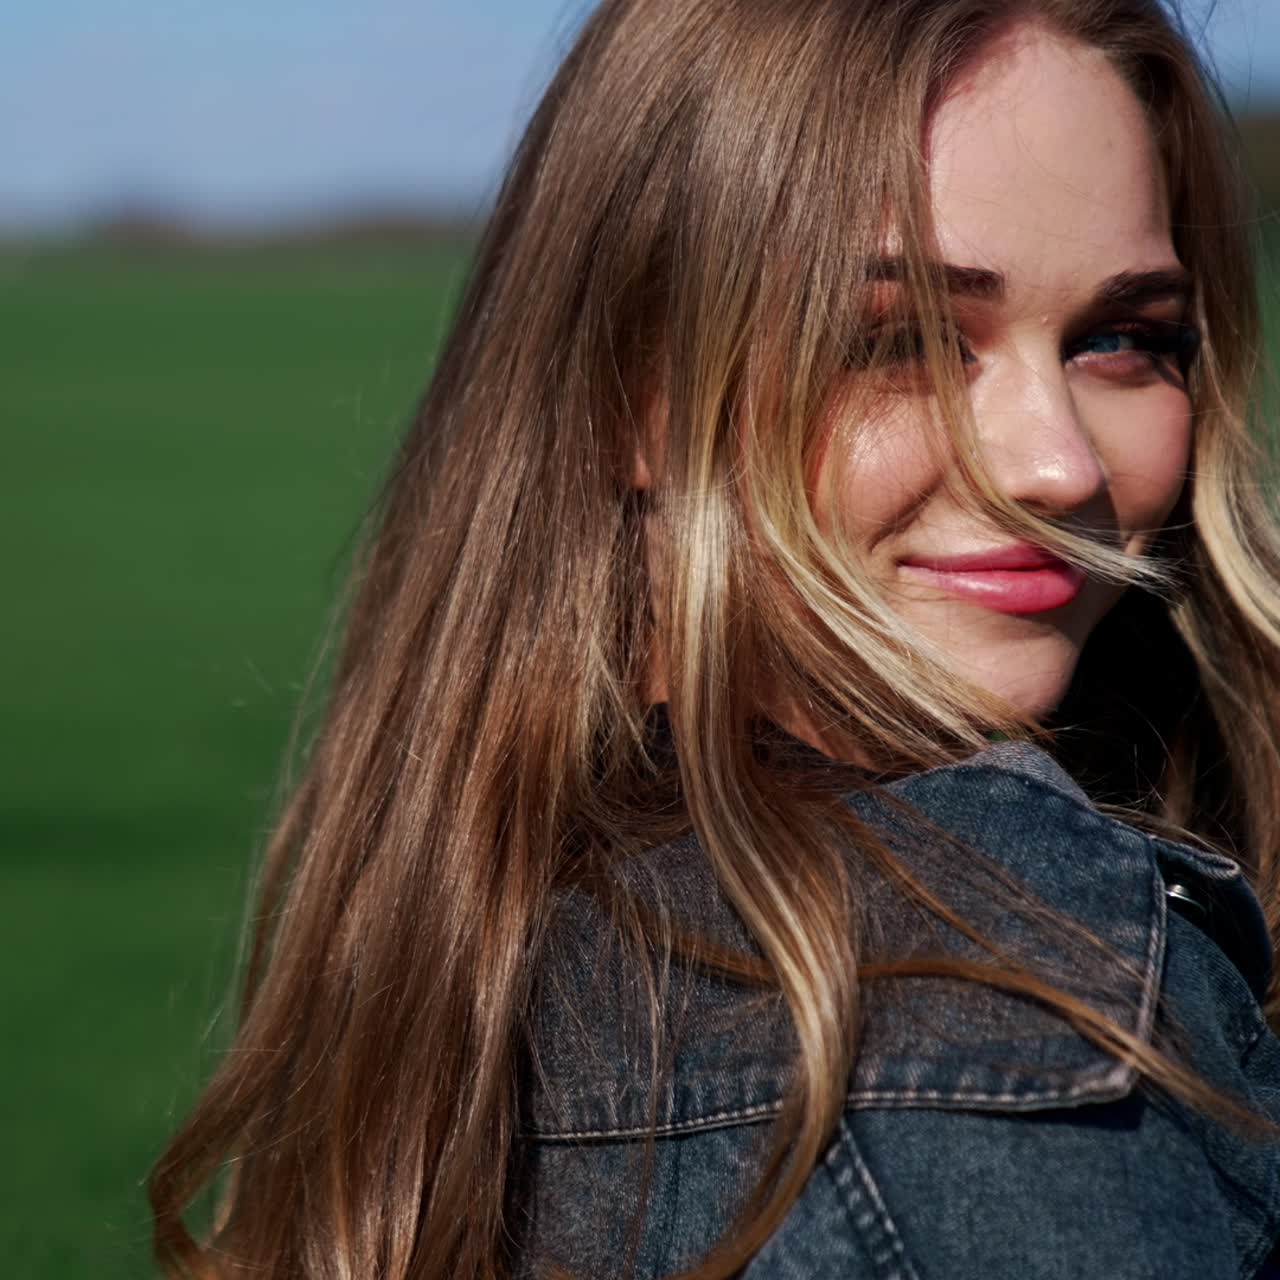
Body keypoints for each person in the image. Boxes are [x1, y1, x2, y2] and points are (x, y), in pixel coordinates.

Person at [150, 0, 1280, 1276]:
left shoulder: (505, 951)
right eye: (899, 341)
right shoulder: (998, 1024)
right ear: (637, 391)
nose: (1053, 462)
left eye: (1122, 340)